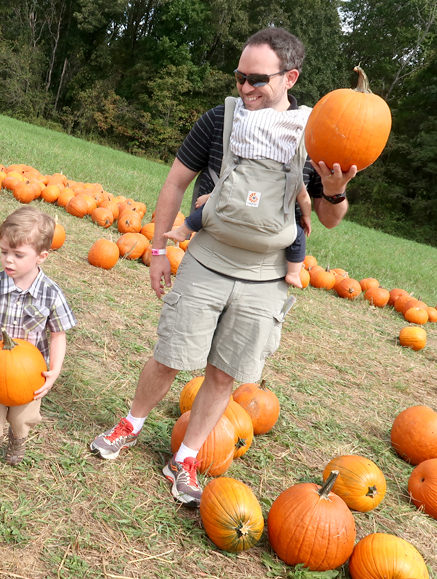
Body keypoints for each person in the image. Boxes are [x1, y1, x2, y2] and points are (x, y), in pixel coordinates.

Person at [89, 27, 356, 507]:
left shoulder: (314, 134)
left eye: (257, 79)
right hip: (207, 261)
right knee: (171, 353)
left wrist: (334, 189)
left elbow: (330, 219)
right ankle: (133, 422)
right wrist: (155, 250)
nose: (245, 88)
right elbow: (174, 184)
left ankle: (187, 456)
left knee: (223, 373)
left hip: (267, 276)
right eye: (239, 77)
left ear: (290, 77)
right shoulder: (220, 120)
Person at [0, 206, 77, 501]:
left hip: (30, 374)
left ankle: (18, 437)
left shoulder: (51, 293)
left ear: (41, 256)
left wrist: (55, 370)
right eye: (4, 252)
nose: (8, 260)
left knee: (23, 417)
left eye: (17, 254)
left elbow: (57, 335)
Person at [163, 188, 312, 289]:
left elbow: (224, 187)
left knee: (208, 210)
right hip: (270, 221)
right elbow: (304, 197)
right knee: (298, 235)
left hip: (239, 212)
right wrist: (306, 216)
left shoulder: (245, 163)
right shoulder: (292, 170)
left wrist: (209, 198)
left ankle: (182, 232)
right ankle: (293, 274)